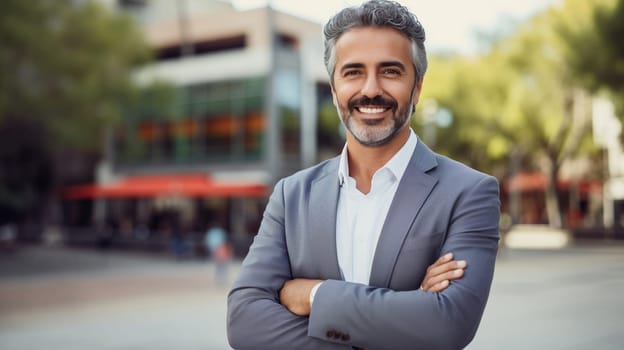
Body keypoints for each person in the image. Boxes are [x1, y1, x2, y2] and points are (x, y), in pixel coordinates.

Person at [227, 1, 500, 349]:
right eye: (353, 72)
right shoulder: (291, 195)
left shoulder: (469, 192)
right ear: (333, 87)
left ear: (416, 88)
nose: (370, 89)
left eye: (390, 71)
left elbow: (448, 325)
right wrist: (406, 315)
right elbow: (243, 322)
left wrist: (315, 294)